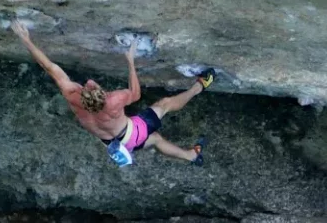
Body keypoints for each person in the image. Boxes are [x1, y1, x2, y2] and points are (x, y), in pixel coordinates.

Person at [13, 23, 214, 167]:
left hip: (114, 143)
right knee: (164, 105)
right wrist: (130, 62)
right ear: (104, 95)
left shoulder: (72, 95)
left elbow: (48, 66)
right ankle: (200, 86)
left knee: (156, 140)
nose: (90, 82)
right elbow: (135, 94)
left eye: (89, 85)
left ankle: (191, 156)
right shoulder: (113, 101)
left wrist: (26, 40)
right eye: (92, 86)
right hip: (131, 133)